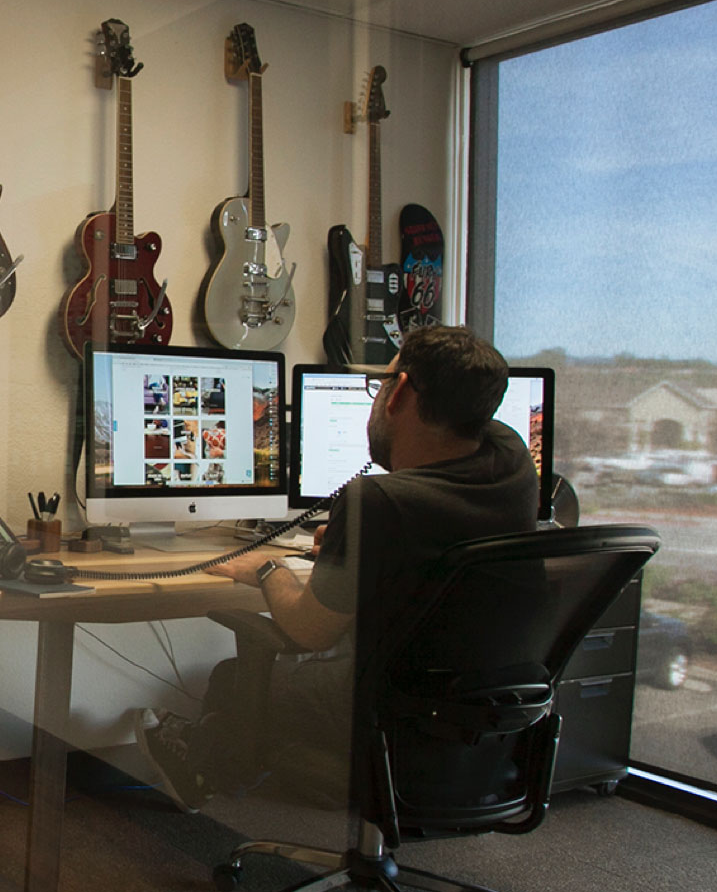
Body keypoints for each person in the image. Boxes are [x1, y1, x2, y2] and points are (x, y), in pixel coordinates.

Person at [134, 325, 540, 811]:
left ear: (402, 393)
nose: (377, 397)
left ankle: (210, 772)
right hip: (474, 717)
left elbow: (309, 630)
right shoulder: (513, 462)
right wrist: (354, 544)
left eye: (381, 384)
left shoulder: (379, 502)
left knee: (232, 677)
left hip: (387, 713)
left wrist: (267, 569)